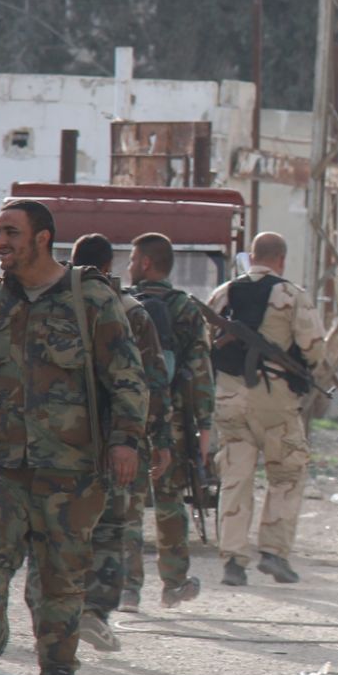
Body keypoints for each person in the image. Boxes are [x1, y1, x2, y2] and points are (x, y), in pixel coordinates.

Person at [0, 198, 147, 675]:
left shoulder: (90, 299)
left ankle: (58, 674)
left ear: (42, 237)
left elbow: (127, 377)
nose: (1, 242)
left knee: (60, 575)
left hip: (69, 470)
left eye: (11, 232)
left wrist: (125, 440)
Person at [63, 234, 171, 654]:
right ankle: (94, 612)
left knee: (62, 529)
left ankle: (60, 611)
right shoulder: (128, 310)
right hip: (117, 441)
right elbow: (152, 382)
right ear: (110, 264)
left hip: (57, 439)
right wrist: (160, 440)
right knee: (109, 528)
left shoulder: (49, 303)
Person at [209, 231, 328, 586]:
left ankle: (233, 561)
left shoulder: (224, 292)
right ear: (282, 260)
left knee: (235, 477)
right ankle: (274, 553)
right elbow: (314, 349)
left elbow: (204, 343)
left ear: (252, 256)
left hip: (230, 399)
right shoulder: (291, 295)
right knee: (286, 474)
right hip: (275, 401)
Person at [126, 231, 212, 608]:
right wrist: (204, 426)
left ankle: (128, 588)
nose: (128, 266)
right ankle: (174, 583)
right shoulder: (186, 309)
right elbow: (199, 372)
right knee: (170, 500)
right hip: (173, 420)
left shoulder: (124, 304)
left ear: (145, 263)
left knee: (128, 502)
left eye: (131, 259)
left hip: (129, 417)